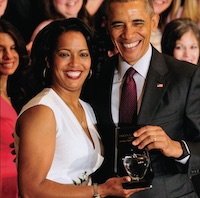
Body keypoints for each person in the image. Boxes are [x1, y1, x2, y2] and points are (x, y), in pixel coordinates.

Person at [14, 18, 147, 198]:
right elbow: (30, 190)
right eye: (64, 54)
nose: (75, 63)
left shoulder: (86, 108)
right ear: (48, 60)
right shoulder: (43, 111)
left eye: (83, 54)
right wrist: (100, 190)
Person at [82, 0, 200, 197]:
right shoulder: (94, 78)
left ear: (154, 22)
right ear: (107, 24)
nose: (128, 34)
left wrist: (176, 147)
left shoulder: (186, 77)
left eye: (138, 23)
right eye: (118, 24)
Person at [0, 19, 29, 198]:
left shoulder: (18, 94)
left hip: (20, 185)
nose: (9, 55)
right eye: (0, 49)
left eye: (13, 48)